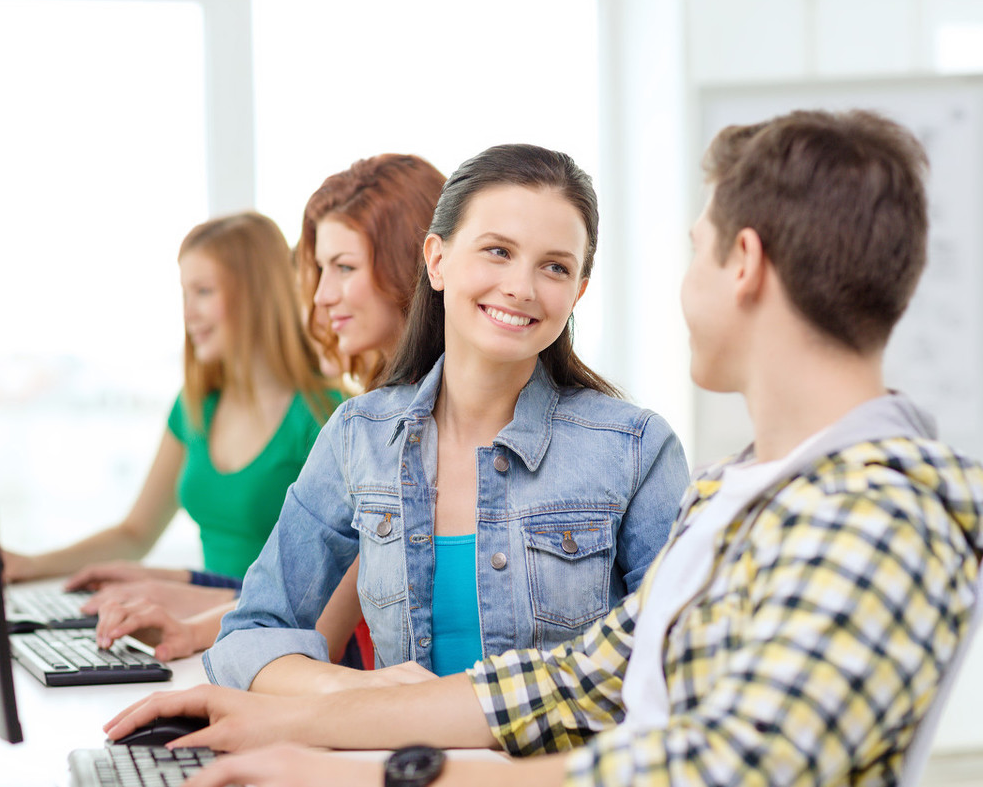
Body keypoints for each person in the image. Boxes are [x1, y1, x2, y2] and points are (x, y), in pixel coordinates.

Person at [104, 110, 983, 786]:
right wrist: (286, 722)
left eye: (694, 249)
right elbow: (575, 679)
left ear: (744, 263)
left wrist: (379, 771)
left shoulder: (873, 510)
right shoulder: (752, 492)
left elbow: (718, 766)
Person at [200, 143, 690, 697]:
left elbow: (681, 666)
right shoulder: (358, 436)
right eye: (498, 251)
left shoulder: (636, 448)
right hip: (394, 750)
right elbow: (249, 634)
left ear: (577, 291)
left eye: (555, 267)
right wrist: (357, 692)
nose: (522, 288)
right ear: (436, 260)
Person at [88, 154, 448, 662]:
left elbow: (321, 621)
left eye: (344, 267)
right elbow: (292, 598)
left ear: (415, 263)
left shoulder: (352, 418)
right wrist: (175, 598)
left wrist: (188, 621)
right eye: (320, 270)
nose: (320, 297)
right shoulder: (367, 418)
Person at [0, 211, 341, 658]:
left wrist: (176, 587)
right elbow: (135, 532)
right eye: (185, 294)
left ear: (256, 295)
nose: (188, 313)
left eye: (203, 292)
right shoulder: (197, 405)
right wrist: (28, 565)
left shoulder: (325, 416)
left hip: (269, 640)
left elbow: (324, 598)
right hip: (210, 634)